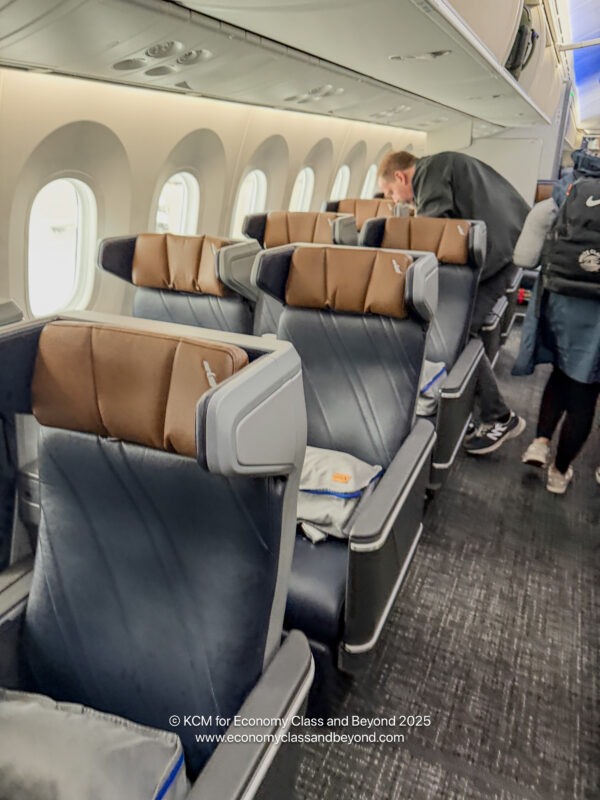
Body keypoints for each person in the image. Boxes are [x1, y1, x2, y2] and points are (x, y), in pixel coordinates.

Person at [378, 150, 529, 454]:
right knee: (452, 335)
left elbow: (431, 231)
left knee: (455, 339)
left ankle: (499, 416)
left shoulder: (431, 171)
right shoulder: (443, 165)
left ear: (400, 176)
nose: (396, 201)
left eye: (391, 193)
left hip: (497, 257)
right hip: (504, 247)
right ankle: (479, 412)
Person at [513, 148, 600, 494]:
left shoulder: (558, 197)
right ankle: (559, 473)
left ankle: (540, 442)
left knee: (561, 373)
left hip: (558, 305)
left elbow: (524, 256)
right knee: (586, 390)